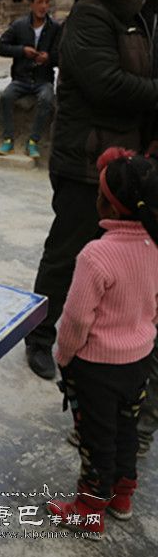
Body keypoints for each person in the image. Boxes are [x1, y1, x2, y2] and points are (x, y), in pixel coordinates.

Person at [26, 0, 158, 380]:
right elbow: (106, 84)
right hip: (86, 159)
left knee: (128, 255)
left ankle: (110, 337)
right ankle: (39, 335)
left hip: (129, 161)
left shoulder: (140, 13)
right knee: (69, 251)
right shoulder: (93, 13)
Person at [47, 149, 158, 536]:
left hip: (95, 368)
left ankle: (89, 509)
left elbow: (77, 318)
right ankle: (122, 497)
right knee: (127, 428)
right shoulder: (154, 246)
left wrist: (64, 355)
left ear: (108, 204)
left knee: (96, 438)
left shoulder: (96, 255)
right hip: (138, 362)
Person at [0, 0, 60, 158]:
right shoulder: (19, 25)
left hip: (43, 80)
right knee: (6, 97)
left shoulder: (55, 28)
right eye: (40, 2)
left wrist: (48, 58)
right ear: (31, 4)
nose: (44, 6)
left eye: (47, 2)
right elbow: (0, 47)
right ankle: (8, 139)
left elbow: (61, 55)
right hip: (21, 79)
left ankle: (33, 141)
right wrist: (22, 51)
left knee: (46, 99)